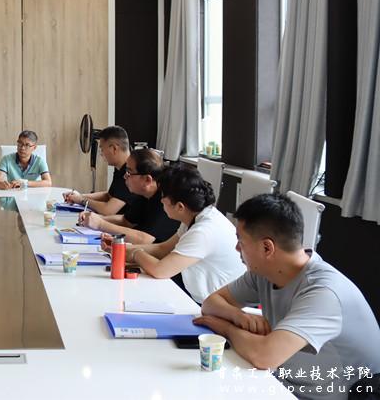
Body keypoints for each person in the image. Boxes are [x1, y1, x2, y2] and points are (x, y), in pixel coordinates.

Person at [194, 193, 380, 398]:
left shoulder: (324, 293)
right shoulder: (264, 273)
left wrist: (226, 328)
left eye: (241, 241)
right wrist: (238, 316)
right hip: (287, 382)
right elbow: (211, 304)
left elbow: (264, 356)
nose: (237, 248)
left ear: (267, 247)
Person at [123, 163, 245, 303]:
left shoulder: (203, 231)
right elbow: (163, 249)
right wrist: (121, 248)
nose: (161, 200)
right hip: (203, 291)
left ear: (180, 206)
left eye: (163, 196)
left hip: (217, 303)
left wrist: (136, 253)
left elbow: (160, 270)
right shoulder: (195, 215)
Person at [79, 148, 179, 244]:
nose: (125, 176)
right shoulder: (144, 193)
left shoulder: (166, 198)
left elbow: (144, 239)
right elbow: (126, 221)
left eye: (129, 172)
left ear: (147, 180)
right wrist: (96, 218)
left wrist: (100, 224)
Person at [63, 125, 137, 215]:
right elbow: (109, 195)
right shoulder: (121, 167)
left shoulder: (131, 172)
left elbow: (108, 210)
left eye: (102, 149)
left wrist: (81, 200)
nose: (101, 154)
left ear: (114, 148)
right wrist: (79, 196)